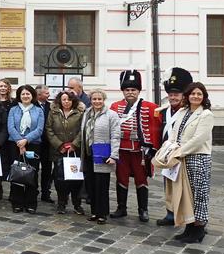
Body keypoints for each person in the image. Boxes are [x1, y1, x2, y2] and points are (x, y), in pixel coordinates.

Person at [109, 70, 161, 222]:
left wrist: (153, 149)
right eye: (127, 90)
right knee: (121, 178)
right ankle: (121, 208)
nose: (130, 92)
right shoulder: (115, 106)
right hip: (121, 150)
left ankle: (143, 210)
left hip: (140, 151)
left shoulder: (150, 107)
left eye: (133, 90)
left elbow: (156, 128)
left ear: (138, 91)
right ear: (123, 91)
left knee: (141, 179)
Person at [168, 82, 214, 244]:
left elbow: (198, 139)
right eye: (193, 94)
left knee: (199, 194)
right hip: (182, 157)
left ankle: (199, 229)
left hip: (198, 157)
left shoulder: (206, 114)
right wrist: (171, 147)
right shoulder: (182, 111)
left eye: (199, 94)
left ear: (203, 97)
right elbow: (174, 133)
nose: (196, 96)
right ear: (187, 95)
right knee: (186, 195)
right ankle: (189, 227)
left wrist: (180, 151)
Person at [156, 67, 193, 226]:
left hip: (183, 155)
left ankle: (188, 218)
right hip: (168, 155)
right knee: (169, 186)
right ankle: (170, 214)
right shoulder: (163, 112)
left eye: (176, 94)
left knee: (186, 189)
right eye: (170, 94)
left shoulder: (189, 112)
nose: (173, 97)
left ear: (184, 95)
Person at [80, 89, 120, 225]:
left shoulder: (111, 115)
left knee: (101, 185)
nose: (97, 101)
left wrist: (114, 155)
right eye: (94, 99)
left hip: (103, 154)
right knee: (91, 185)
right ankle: (94, 212)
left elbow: (115, 136)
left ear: (104, 100)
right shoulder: (87, 113)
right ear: (90, 100)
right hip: (88, 154)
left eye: (99, 99)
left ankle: (102, 213)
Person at [45, 90, 85, 215]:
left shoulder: (80, 113)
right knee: (60, 179)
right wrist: (59, 145)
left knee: (75, 178)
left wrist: (74, 144)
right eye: (64, 99)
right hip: (59, 151)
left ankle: (77, 204)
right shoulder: (54, 112)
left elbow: (82, 130)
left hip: (74, 151)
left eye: (69, 99)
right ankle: (61, 203)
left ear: (73, 101)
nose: (66, 102)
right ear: (60, 101)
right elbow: (49, 129)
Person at [7, 84, 45, 214]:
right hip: (15, 145)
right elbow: (10, 127)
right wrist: (20, 142)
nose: (25, 96)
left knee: (31, 174)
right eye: (23, 94)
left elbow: (39, 129)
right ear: (19, 96)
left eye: (28, 94)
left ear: (32, 95)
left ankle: (31, 203)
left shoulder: (38, 110)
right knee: (17, 173)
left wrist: (26, 140)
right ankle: (17, 202)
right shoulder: (13, 110)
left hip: (33, 145)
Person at [35, 84, 54, 204]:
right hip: (35, 143)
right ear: (39, 94)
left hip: (47, 143)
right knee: (34, 168)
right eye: (46, 93)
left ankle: (46, 192)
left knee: (47, 170)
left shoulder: (50, 106)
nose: (49, 95)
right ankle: (33, 190)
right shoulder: (32, 105)